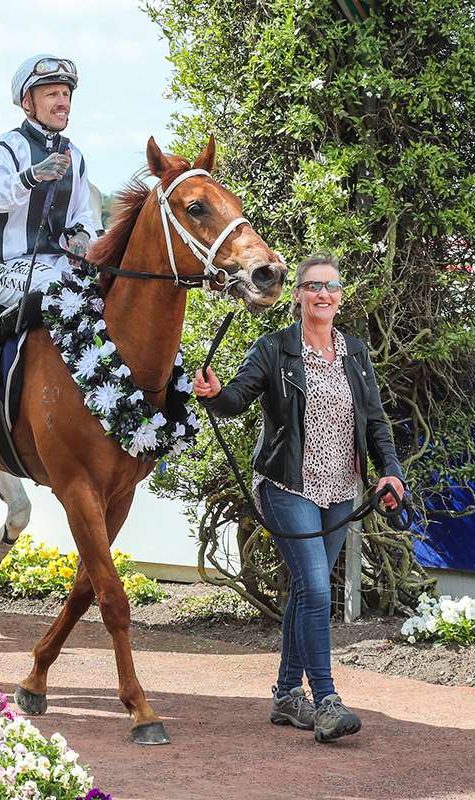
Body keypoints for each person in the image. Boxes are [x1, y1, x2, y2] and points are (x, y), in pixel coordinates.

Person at [192, 254, 406, 743]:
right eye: (313, 286)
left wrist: (390, 472)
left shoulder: (355, 353)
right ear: (298, 296)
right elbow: (234, 401)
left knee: (307, 592)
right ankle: (327, 698)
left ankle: (288, 694)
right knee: (314, 587)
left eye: (331, 286)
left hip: (340, 491)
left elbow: (374, 423)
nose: (323, 294)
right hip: (287, 487)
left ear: (340, 295)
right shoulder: (272, 349)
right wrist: (214, 393)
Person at [0, 54, 97, 380]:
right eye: (52, 94)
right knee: (62, 294)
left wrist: (82, 237)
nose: (62, 102)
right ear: (28, 102)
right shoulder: (7, 148)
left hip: (58, 262)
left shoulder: (75, 155)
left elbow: (84, 214)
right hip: (8, 265)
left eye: (66, 94)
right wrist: (32, 176)